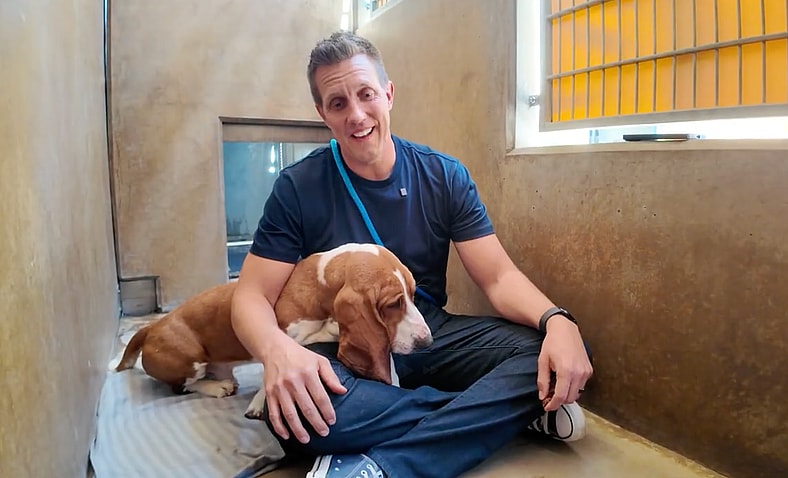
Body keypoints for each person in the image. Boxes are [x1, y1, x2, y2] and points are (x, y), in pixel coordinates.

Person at [231, 30, 593, 478]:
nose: (356, 115)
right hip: (344, 341)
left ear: (388, 94)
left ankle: (384, 466)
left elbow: (498, 278)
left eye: (366, 94)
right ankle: (504, 412)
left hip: (426, 329)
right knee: (300, 414)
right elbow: (251, 296)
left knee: (555, 347)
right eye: (338, 103)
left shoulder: (443, 175)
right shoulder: (296, 188)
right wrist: (277, 352)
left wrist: (558, 320)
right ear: (323, 113)